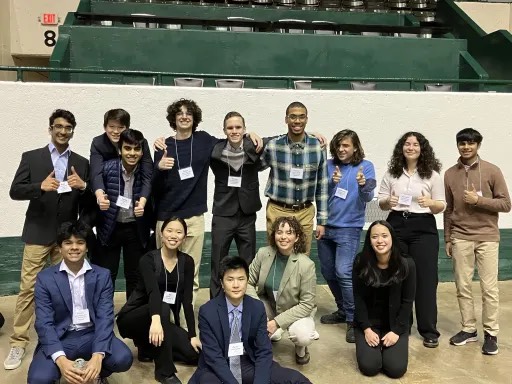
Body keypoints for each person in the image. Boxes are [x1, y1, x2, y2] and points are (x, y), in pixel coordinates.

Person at [5, 109, 94, 371]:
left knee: (68, 288)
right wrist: (38, 188)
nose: (63, 131)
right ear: (50, 128)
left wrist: (84, 187)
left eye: (68, 127)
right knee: (28, 290)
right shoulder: (32, 158)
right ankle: (19, 341)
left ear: (73, 131)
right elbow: (14, 191)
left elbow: (89, 202)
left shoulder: (81, 161)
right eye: (59, 126)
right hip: (37, 233)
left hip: (67, 238)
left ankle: (64, 336)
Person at [153, 99, 262, 302]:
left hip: (194, 216)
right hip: (166, 216)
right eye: (180, 113)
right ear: (173, 118)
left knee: (191, 275)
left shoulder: (204, 141)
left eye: (188, 113)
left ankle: (187, 321)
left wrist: (250, 135)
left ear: (195, 118)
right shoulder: (163, 145)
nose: (184, 116)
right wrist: (159, 168)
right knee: (163, 272)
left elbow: (233, 139)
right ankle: (164, 319)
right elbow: (153, 185)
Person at [27, 221, 133, 384]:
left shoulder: (102, 276)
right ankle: (63, 371)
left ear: (87, 247)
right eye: (68, 243)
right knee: (38, 379)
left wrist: (98, 356)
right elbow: (44, 323)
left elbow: (105, 317)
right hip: (61, 336)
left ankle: (97, 374)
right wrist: (61, 360)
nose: (74, 247)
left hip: (92, 333)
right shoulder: (45, 278)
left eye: (80, 242)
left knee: (123, 358)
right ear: (60, 247)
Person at [189, 256, 312, 384]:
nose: (236, 285)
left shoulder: (257, 307)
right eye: (230, 279)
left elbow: (263, 350)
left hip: (247, 361)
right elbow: (214, 357)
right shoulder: (208, 311)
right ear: (222, 283)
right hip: (217, 366)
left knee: (296, 379)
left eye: (241, 279)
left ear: (247, 281)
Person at [444, 128, 511, 355]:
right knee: (462, 287)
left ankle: (491, 334)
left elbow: (505, 204)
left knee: (489, 288)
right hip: (460, 236)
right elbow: (449, 210)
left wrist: (479, 200)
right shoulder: (450, 174)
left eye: (470, 143)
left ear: (478, 145)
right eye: (462, 143)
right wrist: (448, 238)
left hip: (487, 238)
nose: (466, 147)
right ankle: (469, 329)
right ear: (458, 146)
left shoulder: (492, 171)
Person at [378, 132, 445, 348]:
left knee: (426, 279)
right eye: (407, 143)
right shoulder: (391, 173)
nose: (411, 147)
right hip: (396, 224)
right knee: (397, 275)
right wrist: (389, 201)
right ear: (401, 148)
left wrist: (430, 203)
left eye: (416, 144)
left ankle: (428, 330)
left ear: (422, 149)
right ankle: (401, 326)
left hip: (423, 227)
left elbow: (441, 205)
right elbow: (380, 202)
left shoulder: (432, 175)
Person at [117, 217, 200, 384]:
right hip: (134, 317)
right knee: (161, 305)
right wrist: (155, 320)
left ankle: (147, 348)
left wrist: (192, 335)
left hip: (161, 319)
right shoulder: (148, 260)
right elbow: (154, 292)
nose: (173, 235)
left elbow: (187, 300)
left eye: (179, 232)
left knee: (194, 354)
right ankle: (164, 372)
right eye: (169, 231)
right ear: (161, 234)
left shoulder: (187, 262)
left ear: (184, 237)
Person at [317, 129, 376, 343]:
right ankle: (343, 310)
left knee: (343, 272)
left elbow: (368, 196)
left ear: (355, 147)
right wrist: (332, 183)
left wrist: (363, 185)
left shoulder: (365, 166)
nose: (342, 149)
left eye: (346, 146)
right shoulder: (329, 165)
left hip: (349, 228)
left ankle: (354, 319)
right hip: (325, 227)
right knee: (328, 271)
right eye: (339, 145)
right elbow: (321, 193)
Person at [209, 111, 268, 298]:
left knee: (248, 262)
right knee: (218, 260)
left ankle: (247, 301)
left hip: (247, 214)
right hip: (223, 213)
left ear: (244, 129)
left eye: (238, 127)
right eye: (230, 128)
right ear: (224, 130)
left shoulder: (254, 145)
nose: (234, 131)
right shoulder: (215, 150)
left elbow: (281, 138)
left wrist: (313, 134)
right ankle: (216, 303)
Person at [246, 216, 318, 365]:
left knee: (302, 335)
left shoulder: (306, 265)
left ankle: (301, 348)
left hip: (296, 311)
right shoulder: (263, 253)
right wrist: (259, 310)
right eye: (279, 232)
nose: (283, 236)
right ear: (274, 235)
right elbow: (248, 283)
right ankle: (271, 335)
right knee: (245, 314)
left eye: (289, 232)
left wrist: (276, 322)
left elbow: (306, 304)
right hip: (270, 305)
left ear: (297, 237)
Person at [92, 129, 153, 299]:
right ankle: (104, 318)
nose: (132, 153)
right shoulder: (107, 169)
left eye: (136, 149)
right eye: (127, 148)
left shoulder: (146, 172)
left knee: (134, 276)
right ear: (120, 150)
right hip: (110, 228)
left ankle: (130, 318)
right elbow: (94, 195)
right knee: (106, 276)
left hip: (135, 229)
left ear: (142, 151)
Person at [260, 101, 328, 255]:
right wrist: (249, 136)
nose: (297, 121)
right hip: (277, 210)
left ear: (306, 119)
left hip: (304, 212)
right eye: (293, 117)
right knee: (274, 257)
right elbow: (256, 166)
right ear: (286, 119)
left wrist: (322, 221)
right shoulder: (273, 146)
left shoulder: (318, 147)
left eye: (301, 117)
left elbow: (322, 186)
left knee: (302, 260)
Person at [353, 220, 416, 379]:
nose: (380, 241)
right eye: (375, 237)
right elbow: (358, 299)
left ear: (392, 238)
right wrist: (366, 328)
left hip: (395, 324)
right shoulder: (361, 262)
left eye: (384, 236)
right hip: (369, 323)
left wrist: (396, 331)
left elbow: (408, 301)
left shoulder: (407, 264)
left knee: (395, 369)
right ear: (369, 240)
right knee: (370, 367)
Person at [90, 108, 153, 220]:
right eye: (111, 127)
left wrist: (142, 202)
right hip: (111, 197)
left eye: (120, 127)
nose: (116, 131)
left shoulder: (139, 142)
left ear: (127, 128)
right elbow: (96, 173)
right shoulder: (98, 143)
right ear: (105, 127)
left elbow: (147, 174)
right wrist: (100, 196)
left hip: (134, 192)